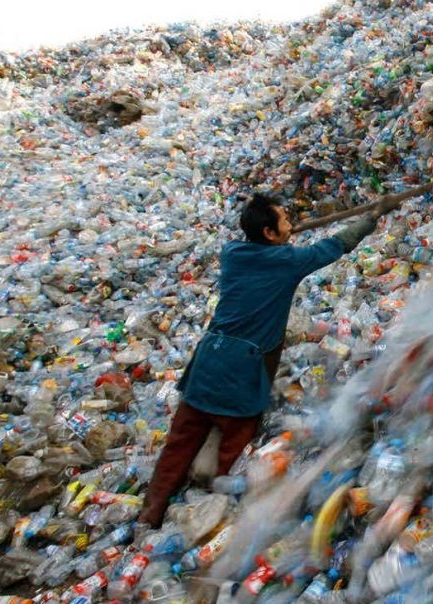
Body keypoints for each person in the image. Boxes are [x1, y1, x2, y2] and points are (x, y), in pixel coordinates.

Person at [138, 192, 398, 528]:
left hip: (207, 362)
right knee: (234, 456)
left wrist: (283, 237)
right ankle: (208, 518)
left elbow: (273, 249)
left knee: (179, 444)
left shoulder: (233, 254)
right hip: (241, 371)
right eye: (284, 220)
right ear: (269, 234)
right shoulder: (287, 262)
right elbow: (335, 245)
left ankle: (151, 513)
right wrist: (372, 215)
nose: (290, 223)